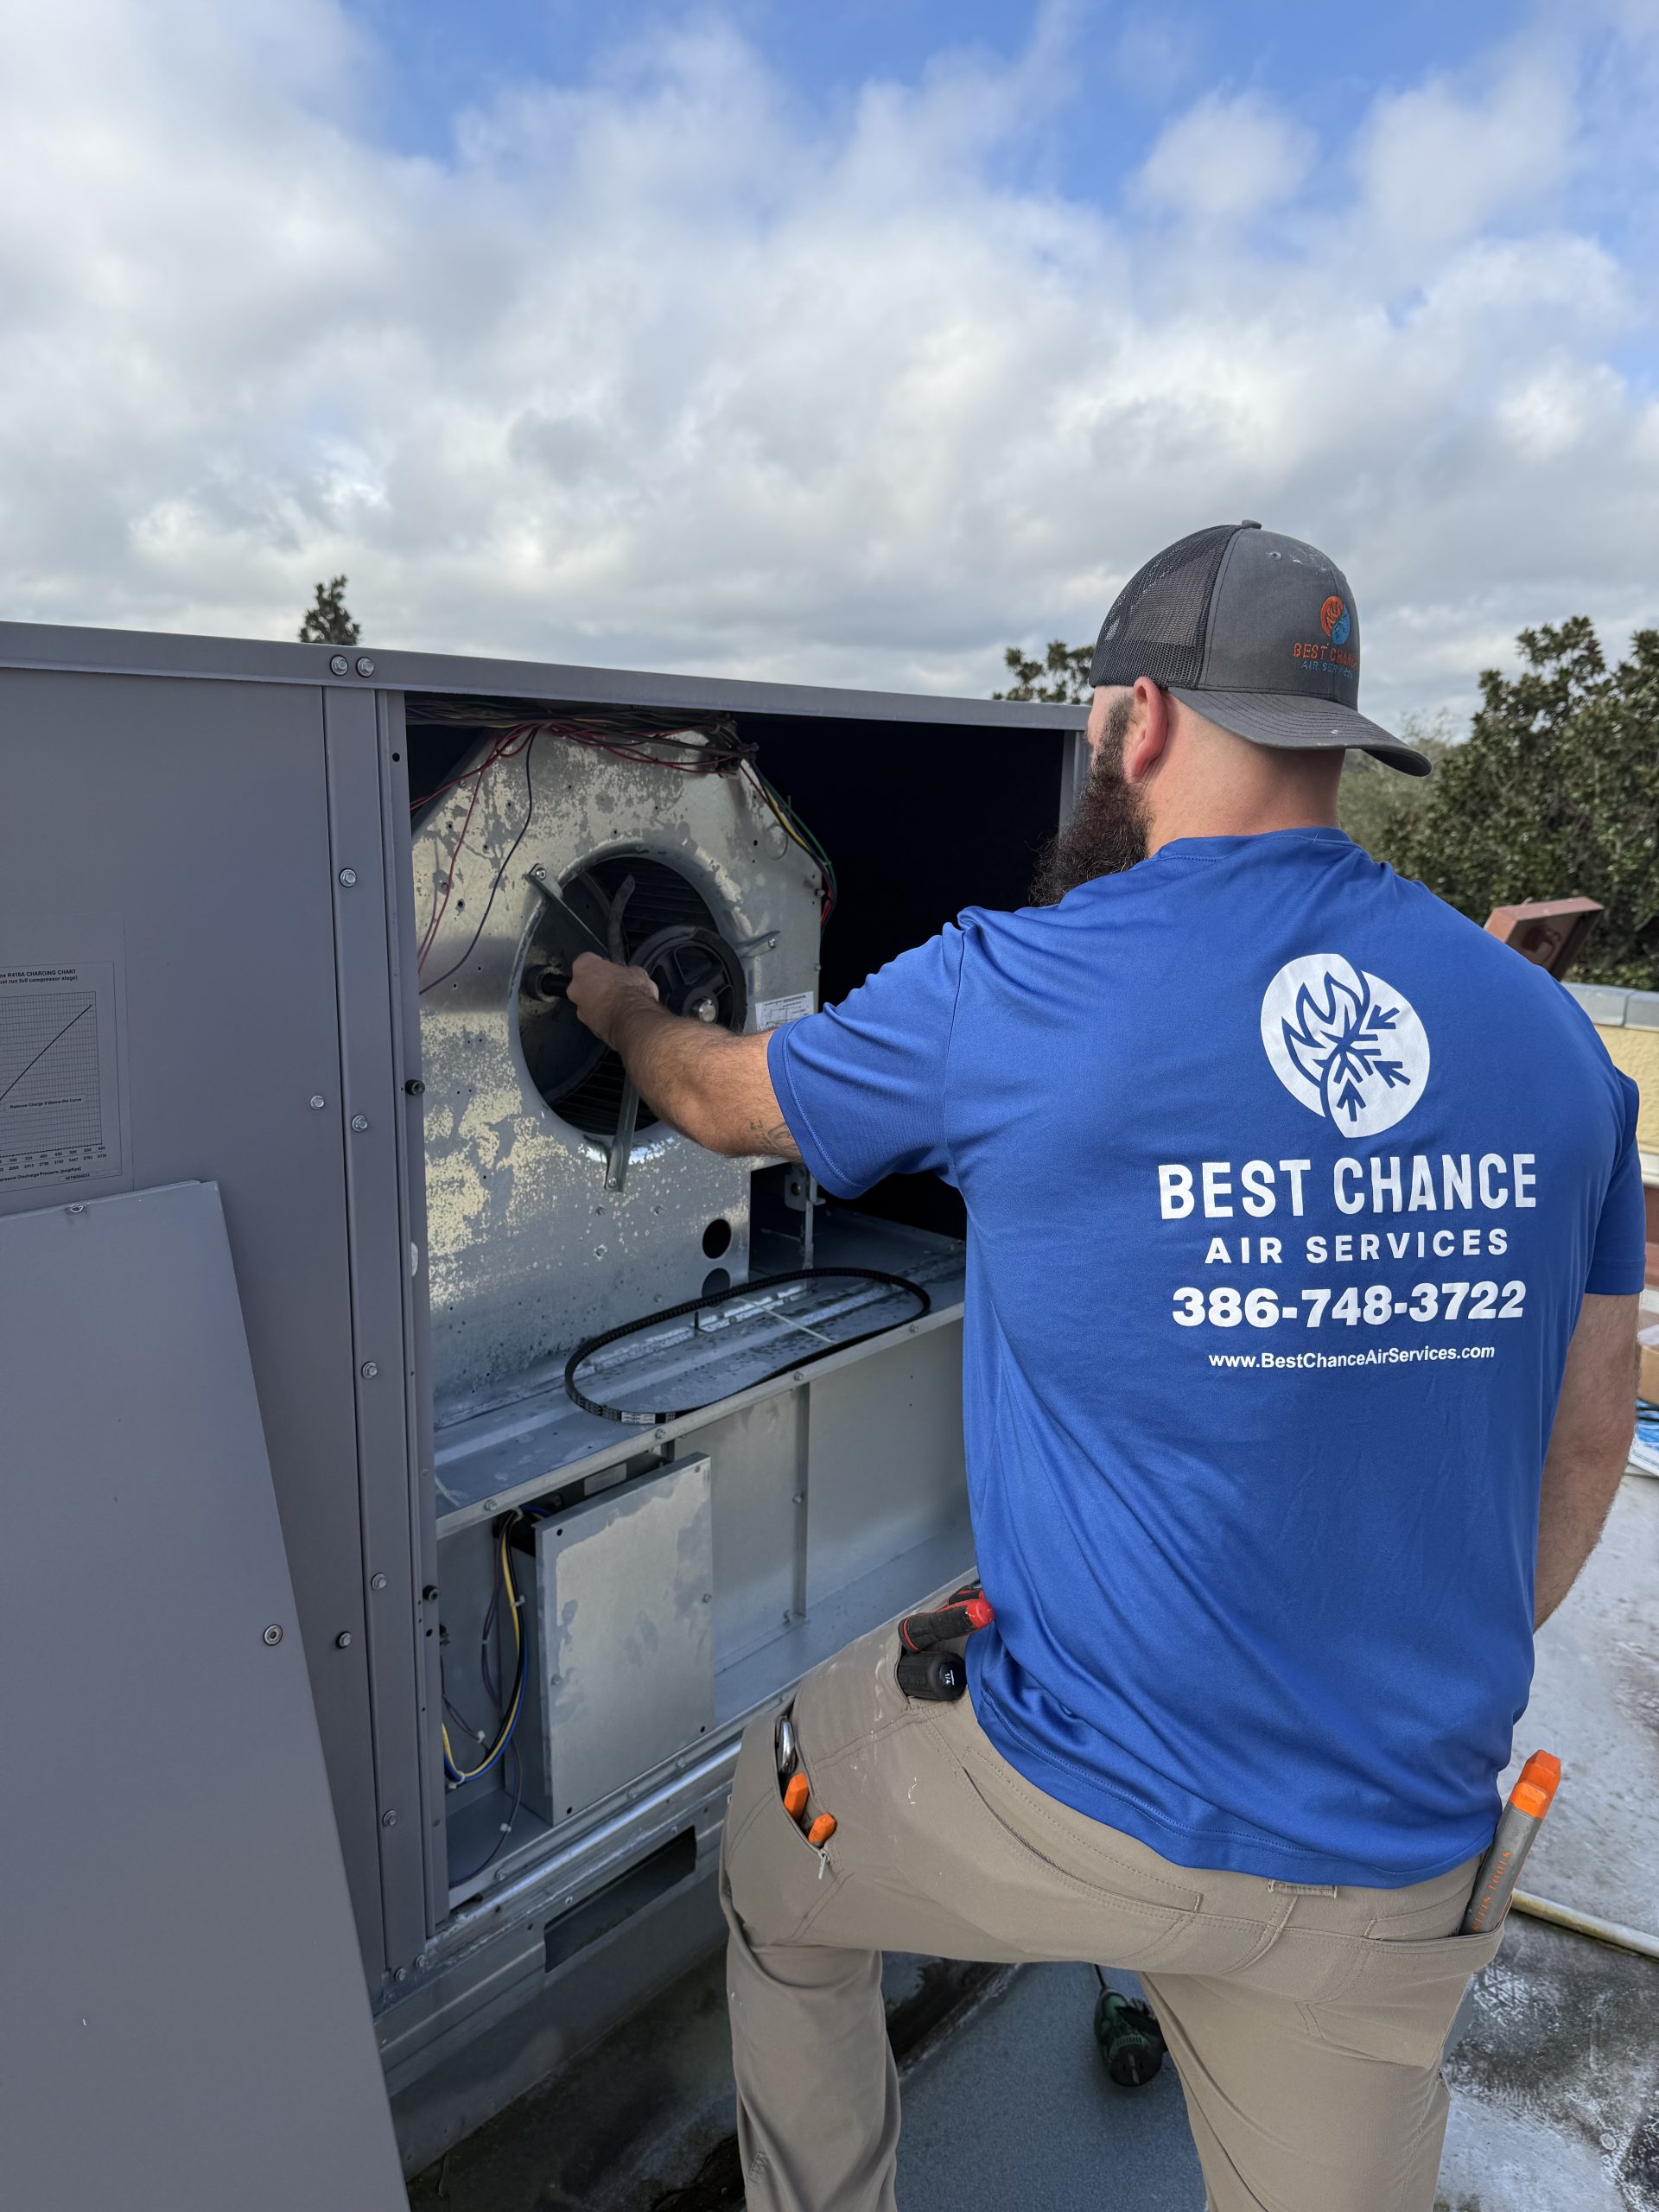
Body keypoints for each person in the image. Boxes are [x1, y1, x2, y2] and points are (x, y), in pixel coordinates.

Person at [566, 523, 1643, 2212]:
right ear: (1340, 747)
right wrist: (1391, 1700)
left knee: (777, 1837)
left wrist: (622, 1006)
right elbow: (1589, 1446)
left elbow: (721, 1097)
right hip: (1402, 1858)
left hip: (1078, 1808)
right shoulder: (1548, 1042)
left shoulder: (1021, 987)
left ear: (1134, 720)